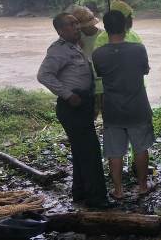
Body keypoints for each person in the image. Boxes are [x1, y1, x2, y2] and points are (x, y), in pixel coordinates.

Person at [37, 13, 110, 209]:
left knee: (80, 152)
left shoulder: (75, 46)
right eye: (71, 24)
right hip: (72, 106)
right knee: (90, 152)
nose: (77, 27)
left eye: (77, 23)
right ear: (60, 31)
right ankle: (97, 199)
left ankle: (80, 193)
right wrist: (67, 94)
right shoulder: (58, 50)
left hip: (82, 104)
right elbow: (43, 75)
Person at [92, 11, 155, 199]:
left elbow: (101, 73)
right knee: (141, 148)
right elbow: (145, 70)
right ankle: (143, 186)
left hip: (112, 108)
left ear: (105, 28)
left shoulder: (98, 54)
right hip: (137, 106)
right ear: (126, 26)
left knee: (115, 151)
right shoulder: (138, 49)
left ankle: (118, 190)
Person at [70, 5, 104, 117]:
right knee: (90, 114)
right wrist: (76, 44)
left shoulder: (104, 36)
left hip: (104, 82)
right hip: (86, 83)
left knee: (107, 112)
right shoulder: (76, 39)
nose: (85, 29)